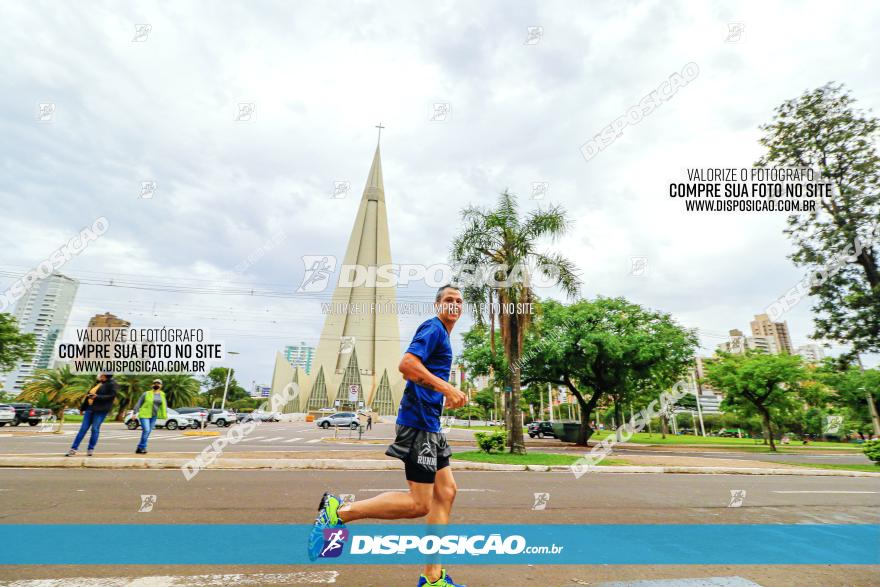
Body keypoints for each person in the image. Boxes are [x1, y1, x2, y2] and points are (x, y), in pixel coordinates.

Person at [309, 285, 468, 586]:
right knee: (419, 504)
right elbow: (407, 365)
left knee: (446, 493)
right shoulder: (433, 328)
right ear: (438, 305)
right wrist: (447, 388)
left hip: (431, 425)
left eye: (459, 302)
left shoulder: (442, 335)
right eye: (449, 300)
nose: (455, 305)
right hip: (418, 424)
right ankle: (338, 513)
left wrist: (439, 392)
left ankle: (432, 577)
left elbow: (419, 373)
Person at [66, 371, 118, 457]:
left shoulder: (112, 384)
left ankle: (90, 449)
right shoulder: (97, 383)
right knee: (83, 429)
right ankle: (73, 449)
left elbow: (111, 396)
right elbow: (88, 395)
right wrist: (82, 408)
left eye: (101, 373)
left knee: (94, 429)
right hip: (90, 409)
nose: (99, 374)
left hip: (100, 410)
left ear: (105, 375)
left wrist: (97, 397)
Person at [133, 379, 167, 454]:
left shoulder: (162, 394)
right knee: (147, 430)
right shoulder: (146, 393)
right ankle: (143, 447)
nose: (156, 385)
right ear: (152, 385)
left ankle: (139, 448)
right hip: (144, 414)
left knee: (147, 432)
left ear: (161, 386)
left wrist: (164, 414)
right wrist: (134, 413)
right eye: (155, 383)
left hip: (154, 416)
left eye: (158, 384)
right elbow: (139, 403)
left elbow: (164, 405)